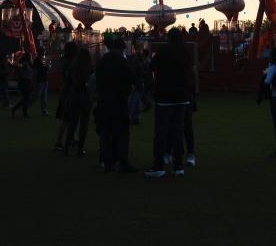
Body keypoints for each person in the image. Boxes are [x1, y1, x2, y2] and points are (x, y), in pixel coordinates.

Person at [145, 29, 190, 178]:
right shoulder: (186, 52)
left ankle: (159, 166)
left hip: (165, 97)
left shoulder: (163, 51)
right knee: (178, 131)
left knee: (161, 132)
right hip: (182, 97)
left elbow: (151, 67)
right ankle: (178, 167)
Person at [94, 37, 136, 173]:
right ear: (121, 48)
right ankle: (122, 162)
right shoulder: (122, 61)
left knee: (106, 133)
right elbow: (132, 78)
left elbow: (96, 79)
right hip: (119, 100)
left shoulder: (102, 61)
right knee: (123, 132)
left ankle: (107, 163)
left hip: (104, 100)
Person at [62, 48, 93, 155]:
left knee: (72, 123)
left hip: (74, 95)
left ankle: (66, 146)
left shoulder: (73, 67)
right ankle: (80, 148)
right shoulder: (89, 67)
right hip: (85, 96)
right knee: (84, 124)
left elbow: (68, 80)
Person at [53, 42, 77, 151]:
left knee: (68, 118)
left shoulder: (64, 60)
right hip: (69, 92)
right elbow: (69, 77)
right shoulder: (70, 62)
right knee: (67, 118)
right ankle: (60, 141)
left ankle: (70, 139)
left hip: (66, 91)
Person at [10, 53, 34, 118]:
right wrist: (15, 64)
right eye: (30, 56)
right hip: (24, 82)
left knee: (25, 98)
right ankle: (23, 112)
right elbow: (18, 66)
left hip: (26, 82)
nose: (31, 58)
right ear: (28, 58)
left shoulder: (27, 64)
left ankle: (18, 110)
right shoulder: (24, 64)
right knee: (26, 98)